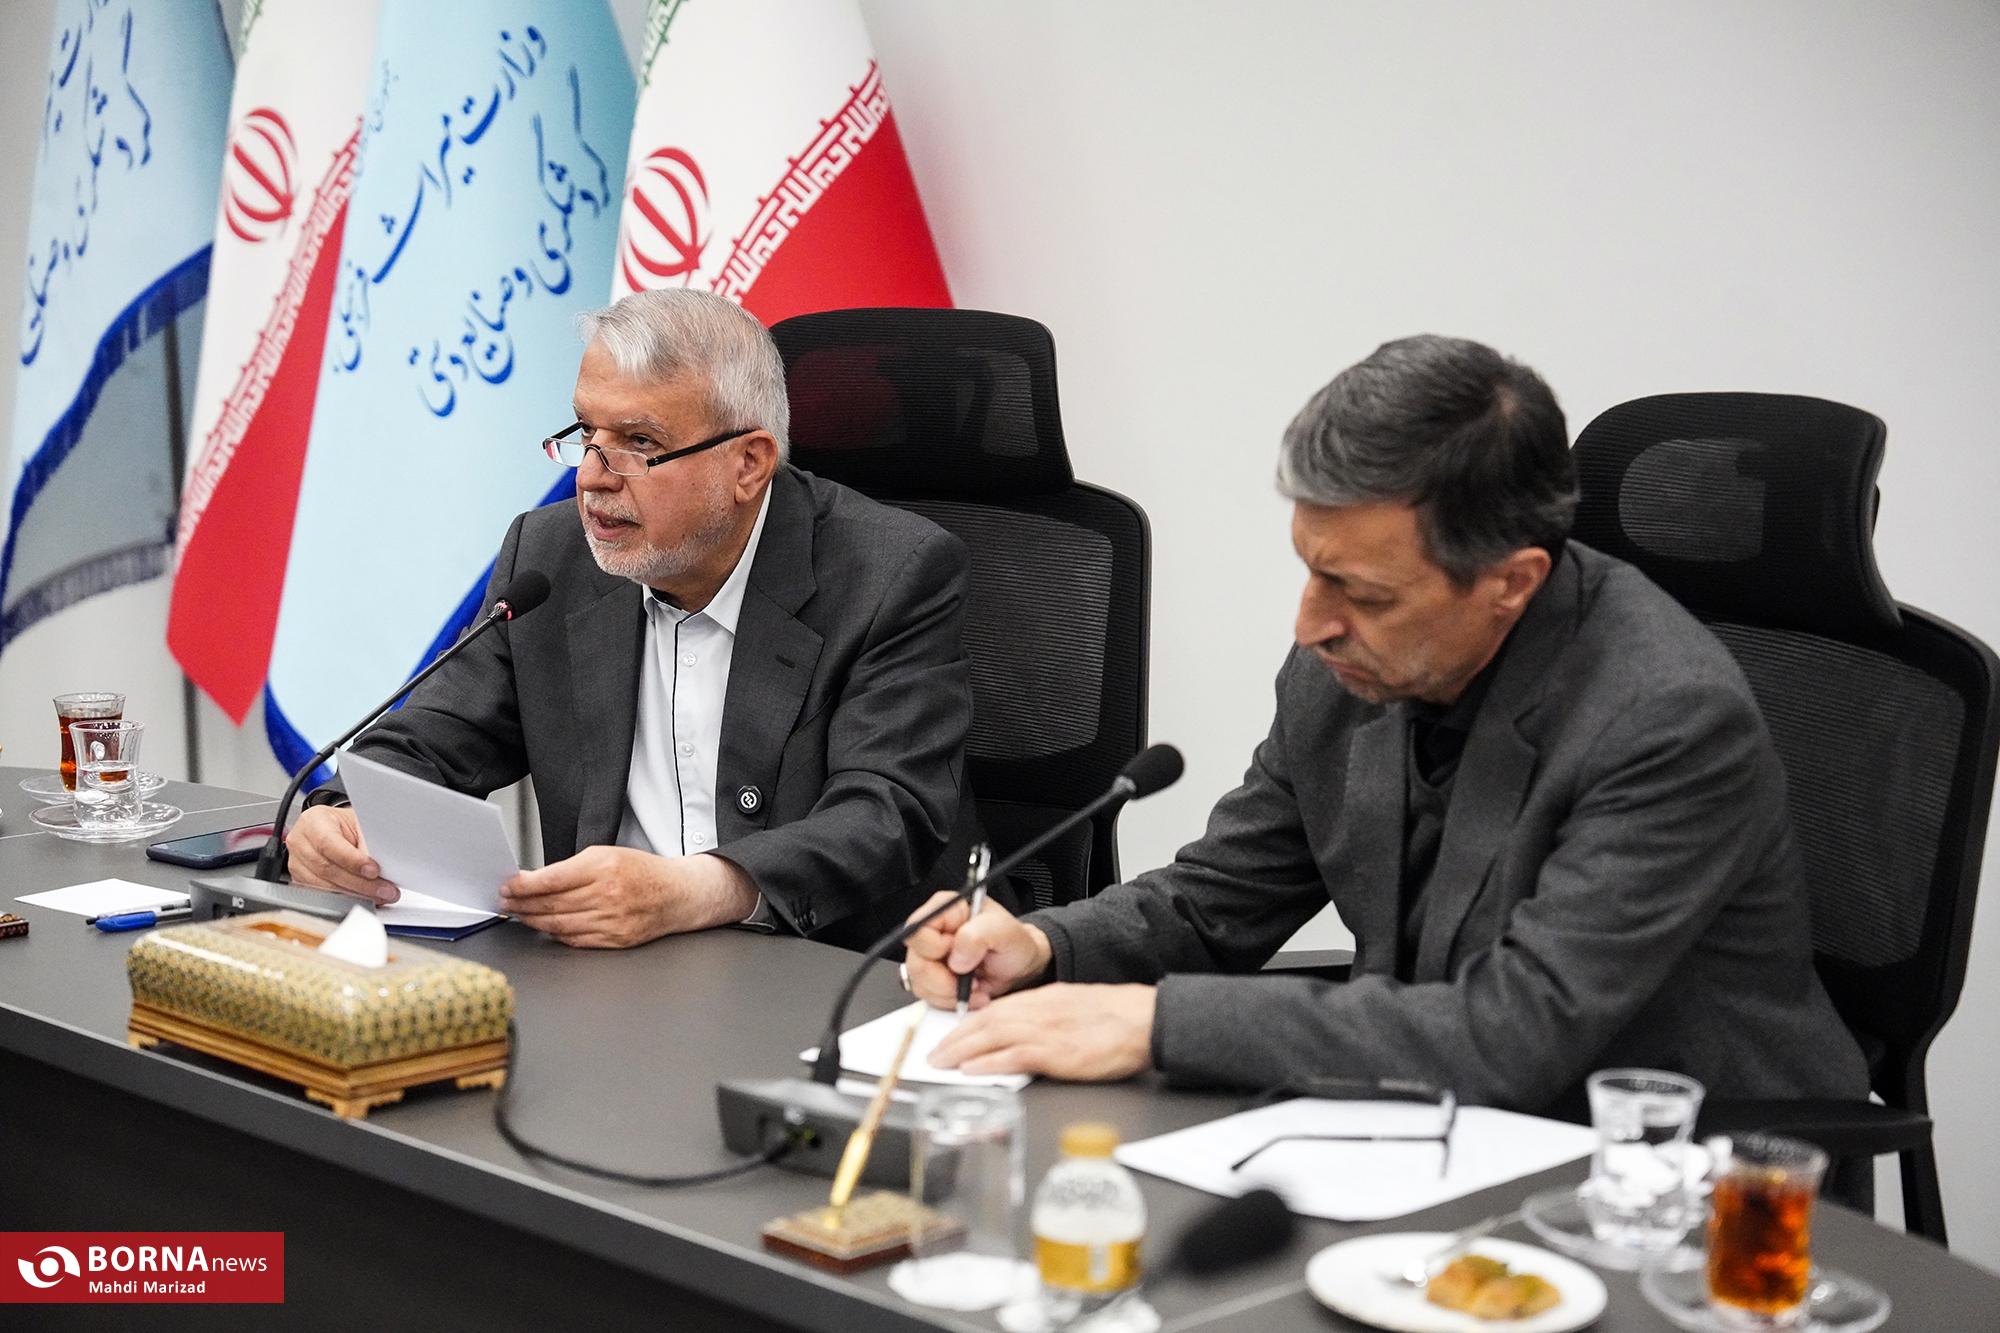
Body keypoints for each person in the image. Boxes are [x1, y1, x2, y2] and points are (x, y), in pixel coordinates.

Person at [906, 334, 1869, 1119]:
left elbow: (1513, 1033)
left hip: (1685, 1175)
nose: (1310, 623)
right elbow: (1217, 901)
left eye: (1362, 591)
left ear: (1512, 582)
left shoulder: (1668, 719)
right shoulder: (1345, 662)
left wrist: (1153, 1024)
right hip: (1442, 1123)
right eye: (1310, 568)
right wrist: (1044, 946)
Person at [287, 289, 978, 951]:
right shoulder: (550, 556)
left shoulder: (890, 573)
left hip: (823, 981)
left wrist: (699, 888)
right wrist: (340, 816)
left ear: (749, 464)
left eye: (639, 442)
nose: (592, 476)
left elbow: (885, 812)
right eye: (587, 432)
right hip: (605, 976)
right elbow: (430, 740)